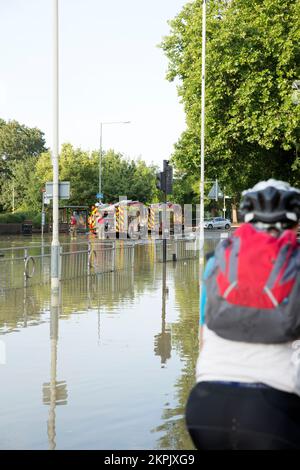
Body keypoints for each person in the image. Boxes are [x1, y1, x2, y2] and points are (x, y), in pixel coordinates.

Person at [186, 179, 300, 450]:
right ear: (295, 224)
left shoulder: (217, 263)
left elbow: (204, 337)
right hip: (274, 413)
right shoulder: (295, 265)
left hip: (205, 405)